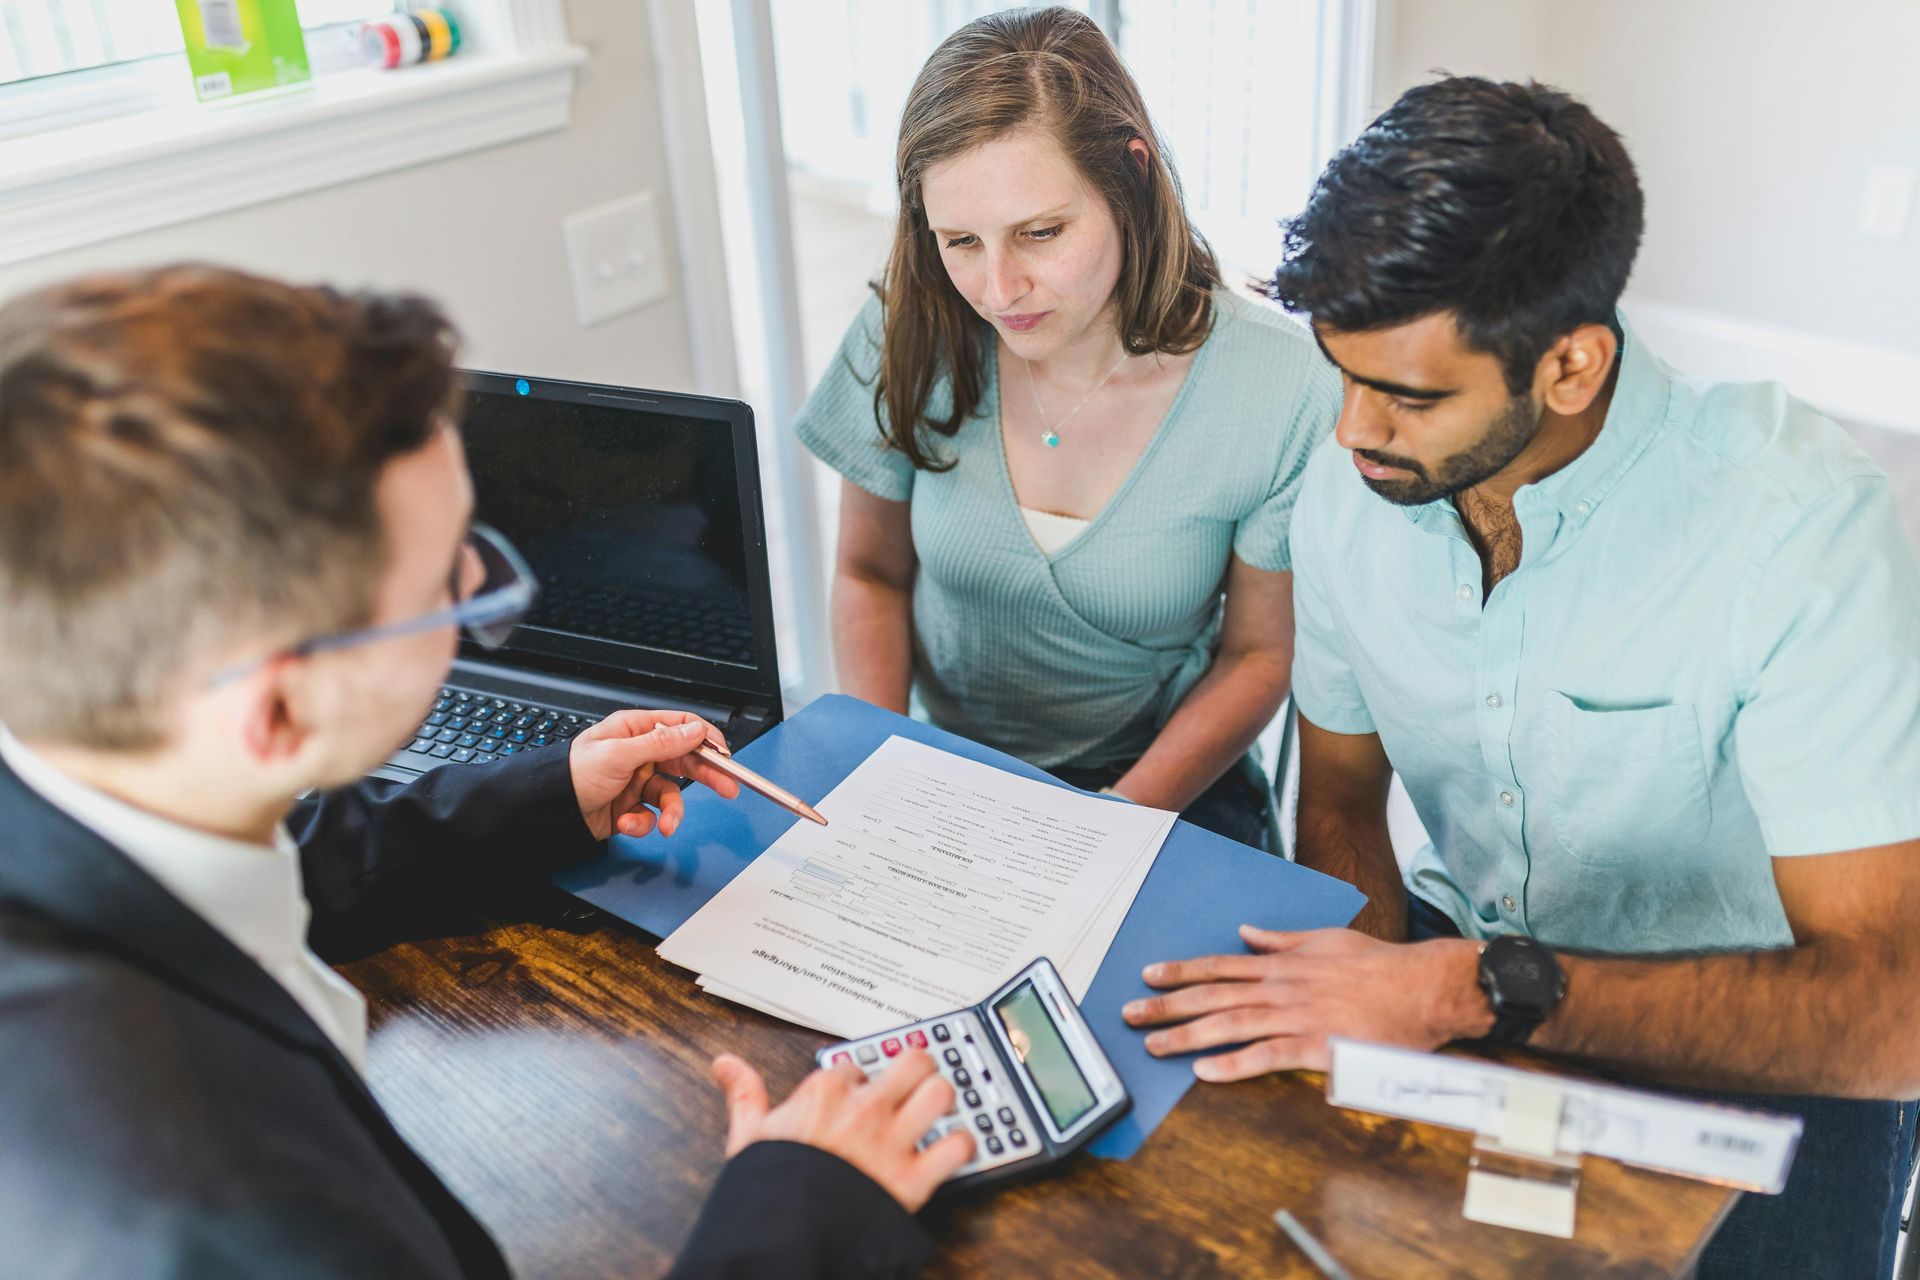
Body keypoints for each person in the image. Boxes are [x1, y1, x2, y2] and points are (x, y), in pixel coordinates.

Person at [0, 266, 971, 1279]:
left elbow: (312, 851)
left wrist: (555, 788)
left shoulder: (92, 782)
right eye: (450, 591)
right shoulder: (232, 1214)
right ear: (278, 711)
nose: (483, 591)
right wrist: (795, 1212)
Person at [1122, 78, 1920, 1278]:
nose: (1349, 433)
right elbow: (1339, 799)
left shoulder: (1798, 528)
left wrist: (1463, 993)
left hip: (1768, 1031)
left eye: (1409, 394)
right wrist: (1368, 1065)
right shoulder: (1356, 489)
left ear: (1571, 366)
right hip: (1462, 966)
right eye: (1343, 375)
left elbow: (1890, 1017)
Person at [796, 6, 1340, 848]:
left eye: (1041, 233)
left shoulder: (1279, 381)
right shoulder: (910, 329)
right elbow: (869, 572)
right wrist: (883, 766)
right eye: (961, 241)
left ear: (1131, 177)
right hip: (940, 768)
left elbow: (1258, 655)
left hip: (1163, 781)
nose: (1000, 287)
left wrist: (1109, 825)